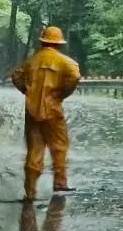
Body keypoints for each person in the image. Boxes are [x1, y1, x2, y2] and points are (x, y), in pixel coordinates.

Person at [11, 25, 81, 201]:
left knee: (34, 149)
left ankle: (30, 190)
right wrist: (61, 93)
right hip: (53, 110)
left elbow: (16, 76)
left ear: (43, 42)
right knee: (59, 146)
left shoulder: (31, 60)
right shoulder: (65, 62)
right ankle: (59, 184)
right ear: (58, 44)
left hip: (32, 110)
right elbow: (75, 76)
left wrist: (27, 91)